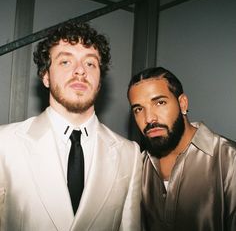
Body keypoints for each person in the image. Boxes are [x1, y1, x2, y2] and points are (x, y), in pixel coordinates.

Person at [0, 21, 142, 231]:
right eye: (66, 62)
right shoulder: (4, 144)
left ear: (100, 79)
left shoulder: (129, 155)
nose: (80, 71)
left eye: (90, 63)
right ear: (46, 76)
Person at [127, 66, 236, 231]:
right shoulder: (137, 165)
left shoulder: (229, 160)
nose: (149, 118)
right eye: (139, 109)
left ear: (182, 103)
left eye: (160, 102)